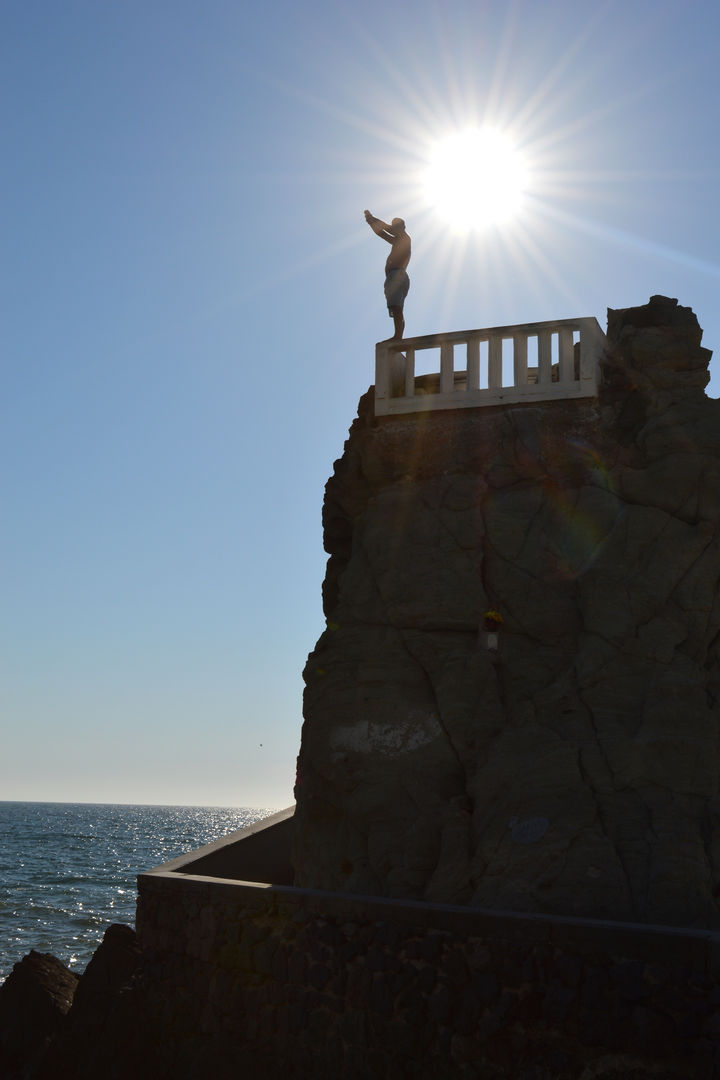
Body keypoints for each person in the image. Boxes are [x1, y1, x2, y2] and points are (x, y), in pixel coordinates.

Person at [364, 210, 411, 340]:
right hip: (397, 276)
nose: (393, 228)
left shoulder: (404, 238)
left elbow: (386, 228)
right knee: (397, 308)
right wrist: (371, 223)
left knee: (396, 307)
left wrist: (372, 218)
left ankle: (398, 336)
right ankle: (398, 336)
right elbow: (382, 233)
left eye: (395, 226)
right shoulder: (398, 240)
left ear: (402, 227)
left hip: (397, 275)